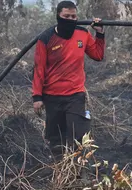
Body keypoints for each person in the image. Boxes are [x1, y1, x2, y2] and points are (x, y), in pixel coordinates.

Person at [31, 0, 106, 159]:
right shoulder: (46, 38)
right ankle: (60, 172)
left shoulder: (82, 34)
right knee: (56, 139)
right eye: (66, 16)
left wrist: (99, 33)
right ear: (58, 16)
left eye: (73, 16)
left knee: (80, 138)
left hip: (75, 95)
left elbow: (98, 55)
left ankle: (79, 172)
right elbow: (39, 68)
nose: (70, 19)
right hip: (52, 96)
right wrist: (37, 97)